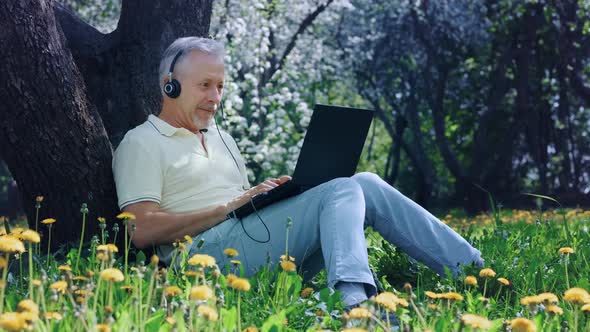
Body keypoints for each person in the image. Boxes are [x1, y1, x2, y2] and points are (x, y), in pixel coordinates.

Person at [112, 37, 484, 308]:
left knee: (364, 184)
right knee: (339, 190)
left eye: (220, 86)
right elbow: (140, 231)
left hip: (249, 244)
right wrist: (227, 207)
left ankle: (476, 272)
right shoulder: (142, 142)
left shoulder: (222, 138)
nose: (215, 97)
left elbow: (246, 215)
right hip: (205, 260)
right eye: (204, 85)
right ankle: (354, 304)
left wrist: (274, 195)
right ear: (170, 86)